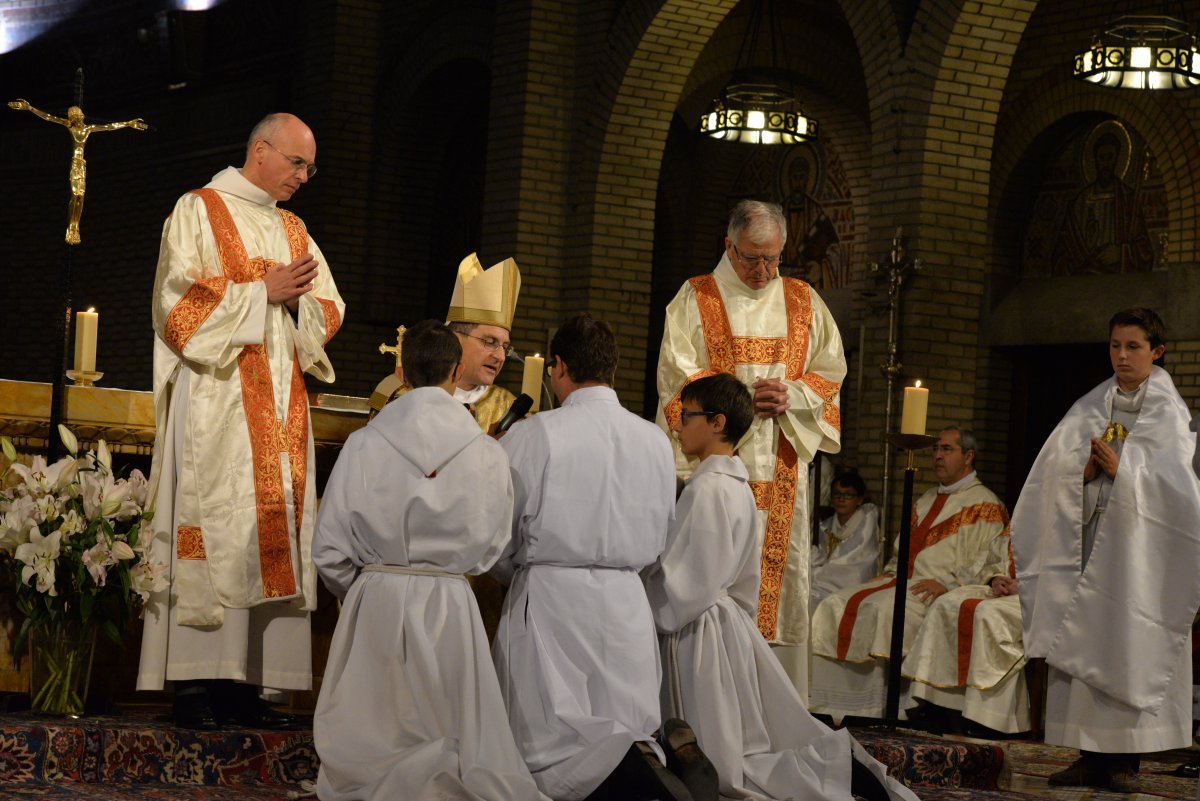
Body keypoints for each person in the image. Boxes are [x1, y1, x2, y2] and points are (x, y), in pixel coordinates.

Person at [137, 112, 344, 729]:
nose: (305, 177)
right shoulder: (197, 209)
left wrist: (297, 301)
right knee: (218, 532)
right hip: (217, 408)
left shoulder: (294, 227)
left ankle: (251, 684)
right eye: (298, 163)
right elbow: (174, 307)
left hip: (280, 412)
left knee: (268, 538)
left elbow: (330, 306)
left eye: (310, 167)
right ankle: (196, 685)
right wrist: (261, 294)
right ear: (261, 150)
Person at [645, 373, 918, 801]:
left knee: (721, 751)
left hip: (698, 631)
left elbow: (686, 587)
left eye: (687, 415)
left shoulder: (708, 490)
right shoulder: (735, 485)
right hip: (725, 624)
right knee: (744, 739)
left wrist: (644, 595)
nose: (677, 426)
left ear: (717, 423)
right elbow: (743, 582)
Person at [311, 320, 546, 801]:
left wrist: (358, 592)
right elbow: (494, 544)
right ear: (457, 368)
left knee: (375, 730)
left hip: (376, 599)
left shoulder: (364, 443)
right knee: (451, 730)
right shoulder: (485, 451)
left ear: (401, 370)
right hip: (448, 605)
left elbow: (329, 548)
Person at [493, 315, 696, 801]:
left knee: (551, 738)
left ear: (558, 367)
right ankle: (649, 766)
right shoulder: (654, 440)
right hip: (626, 596)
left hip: (551, 595)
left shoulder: (535, 433)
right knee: (625, 716)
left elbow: (503, 526)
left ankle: (626, 775)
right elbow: (663, 529)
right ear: (613, 369)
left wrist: (509, 571)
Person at [656, 199, 847, 695]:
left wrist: (793, 393)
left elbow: (830, 373)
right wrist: (738, 400)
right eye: (751, 258)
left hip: (782, 467)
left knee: (777, 590)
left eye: (773, 259)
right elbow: (677, 380)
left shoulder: (804, 301)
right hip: (712, 474)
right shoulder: (696, 298)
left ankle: (777, 703)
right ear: (728, 245)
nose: (763, 270)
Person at [1012, 307, 1200, 792]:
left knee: (1123, 644)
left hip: (1135, 557)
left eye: (1133, 347)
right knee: (1080, 642)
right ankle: (1085, 755)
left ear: (1156, 351)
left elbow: (1180, 492)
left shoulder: (1168, 412)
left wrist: (1126, 473)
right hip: (1086, 543)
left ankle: (1123, 762)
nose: (1121, 356)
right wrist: (1082, 476)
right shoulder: (1090, 407)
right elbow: (1051, 475)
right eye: (1115, 346)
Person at [809, 427, 1009, 721]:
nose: (938, 456)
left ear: (968, 456)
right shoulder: (926, 498)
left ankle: (878, 708)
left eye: (946, 450)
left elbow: (990, 560)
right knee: (834, 603)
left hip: (939, 590)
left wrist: (950, 584)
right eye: (935, 450)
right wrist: (890, 573)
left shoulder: (986, 505)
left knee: (883, 610)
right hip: (902, 580)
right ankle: (831, 705)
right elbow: (902, 551)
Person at [900, 555, 1030, 735]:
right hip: (1004, 593)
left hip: (1036, 597)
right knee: (945, 604)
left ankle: (988, 718)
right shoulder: (1014, 528)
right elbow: (992, 560)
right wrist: (995, 579)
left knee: (986, 614)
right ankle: (937, 706)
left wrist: (1025, 584)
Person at [7, 99, 148, 245]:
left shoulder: (88, 129)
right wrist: (30, 108)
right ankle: (72, 225)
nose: (78, 116)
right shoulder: (70, 127)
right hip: (75, 163)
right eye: (74, 115)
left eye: (79, 114)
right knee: (76, 194)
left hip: (82, 164)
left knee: (81, 196)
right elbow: (49, 117)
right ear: (71, 118)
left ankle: (76, 224)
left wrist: (128, 123)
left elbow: (109, 126)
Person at [1052, 129, 1154, 275]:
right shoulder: (1080, 201)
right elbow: (1063, 249)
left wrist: (1122, 252)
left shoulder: (1128, 199)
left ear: (1117, 159)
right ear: (1095, 160)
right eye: (1101, 158)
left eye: (1110, 157)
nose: (1105, 163)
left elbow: (1146, 251)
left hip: (1118, 281)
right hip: (1084, 278)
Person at [811, 473, 880, 607]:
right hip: (824, 578)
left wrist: (821, 572)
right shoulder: (825, 526)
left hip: (850, 579)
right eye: (837, 494)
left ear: (859, 500)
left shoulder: (866, 525)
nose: (841, 499)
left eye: (848, 495)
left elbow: (859, 559)